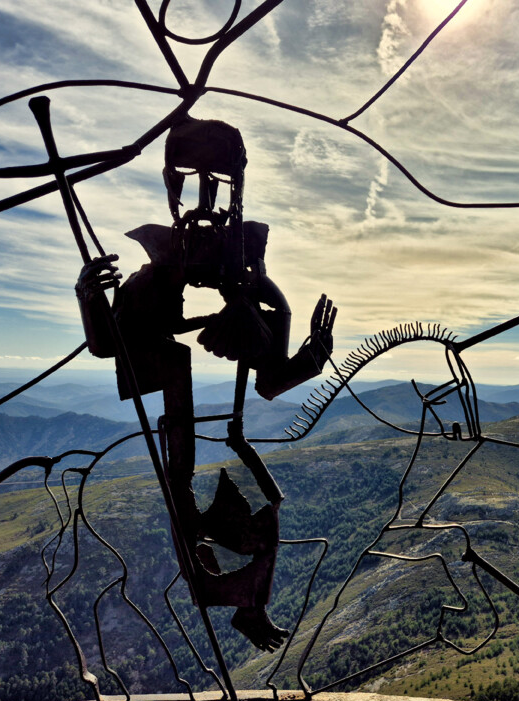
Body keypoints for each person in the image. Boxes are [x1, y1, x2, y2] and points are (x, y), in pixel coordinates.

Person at [75, 114, 336, 652]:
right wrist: (90, 299)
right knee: (185, 505)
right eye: (190, 177)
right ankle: (230, 599)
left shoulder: (249, 273)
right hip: (179, 425)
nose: (206, 194)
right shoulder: (156, 272)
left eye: (220, 182)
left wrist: (310, 356)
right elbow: (109, 345)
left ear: (237, 189)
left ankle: (250, 605)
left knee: (270, 507)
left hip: (226, 427)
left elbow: (268, 379)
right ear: (173, 184)